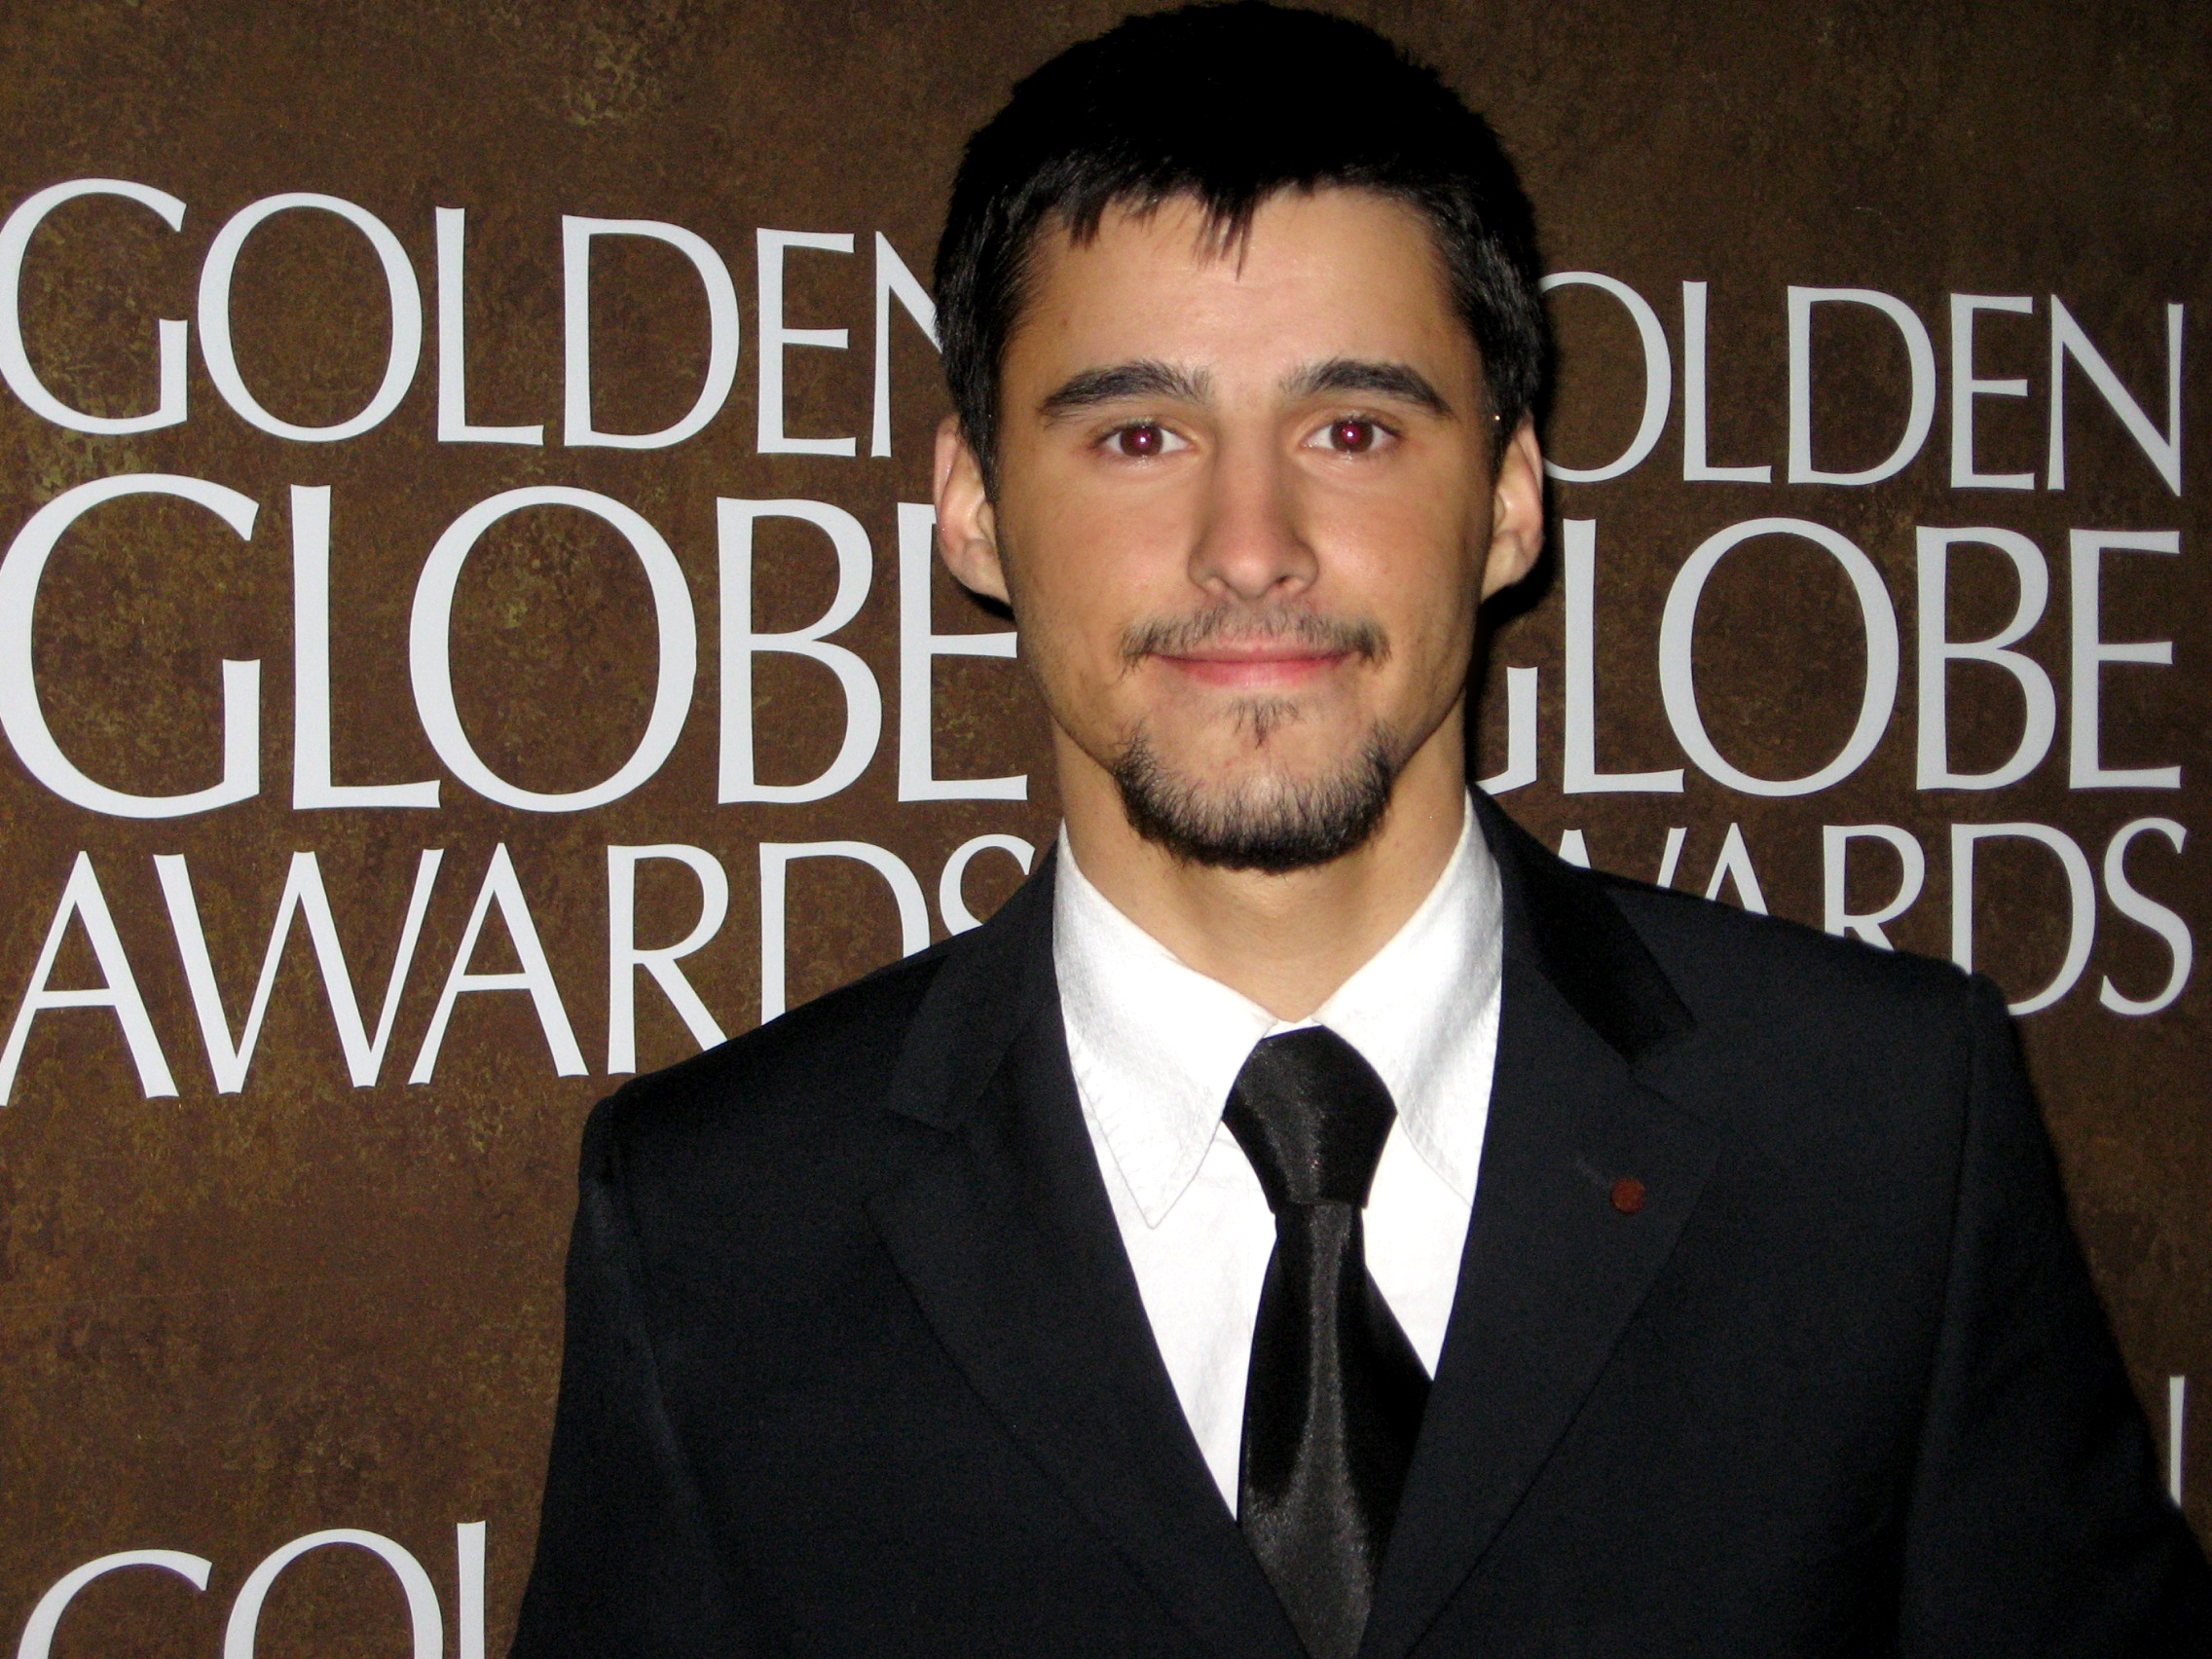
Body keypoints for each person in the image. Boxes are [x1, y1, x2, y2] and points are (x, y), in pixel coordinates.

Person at [509, 6, 2210, 1654]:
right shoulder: (720, 1226)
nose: (1252, 545)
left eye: (1354, 429)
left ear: (1511, 496)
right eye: (1139, 432)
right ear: (971, 504)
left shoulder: (1886, 1133)